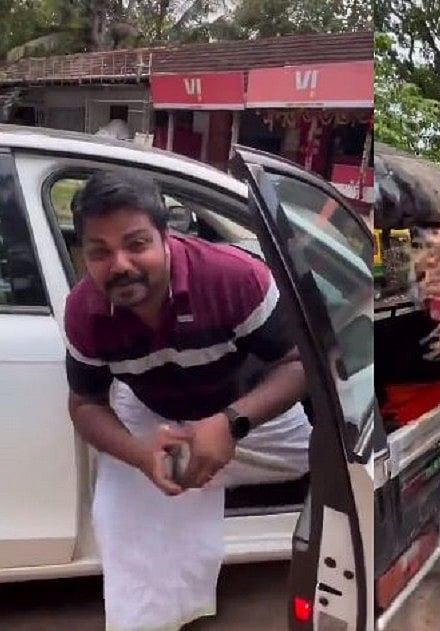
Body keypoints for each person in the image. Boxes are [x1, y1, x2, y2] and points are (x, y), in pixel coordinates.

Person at [63, 169, 312, 630]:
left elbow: (299, 366)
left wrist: (230, 423)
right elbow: (85, 405)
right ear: (85, 256)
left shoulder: (234, 278)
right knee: (121, 522)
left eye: (136, 244)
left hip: (246, 409)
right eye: (100, 252)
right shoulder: (84, 311)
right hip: (151, 417)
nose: (119, 265)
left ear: (166, 237)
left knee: (339, 465)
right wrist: (140, 455)